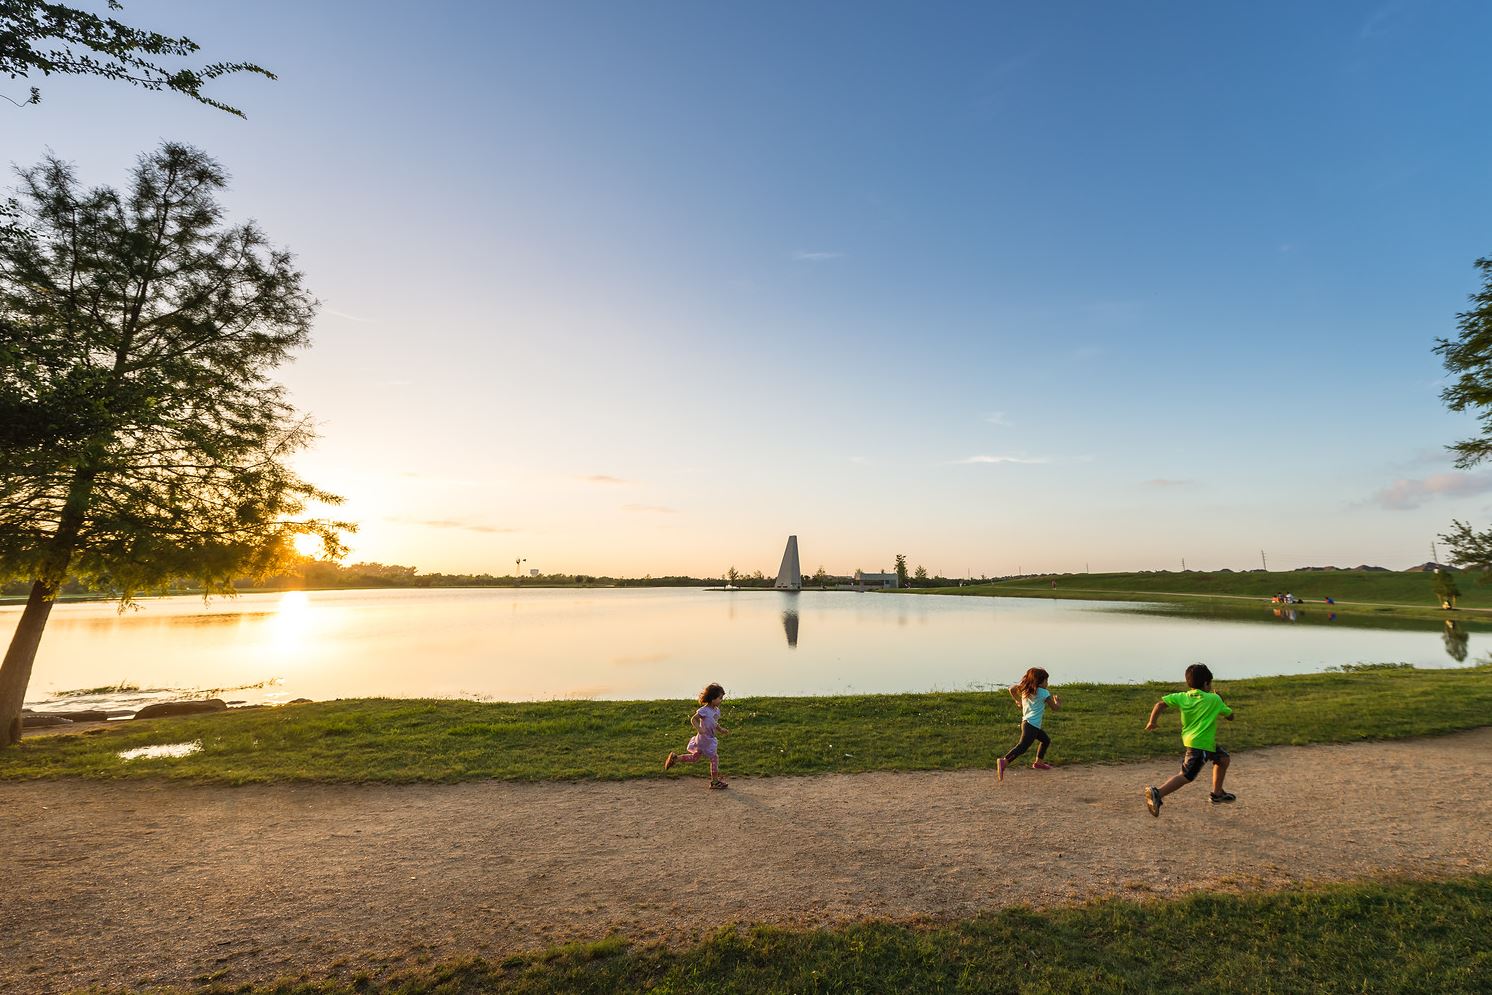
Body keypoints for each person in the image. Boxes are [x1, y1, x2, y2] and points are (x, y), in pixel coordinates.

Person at [1143, 663, 1235, 816]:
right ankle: (1158, 793)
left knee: (1224, 758)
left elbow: (1160, 704)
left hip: (1199, 742)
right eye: (1210, 683)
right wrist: (1221, 700)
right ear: (1206, 683)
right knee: (1186, 776)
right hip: (1201, 746)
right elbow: (1231, 716)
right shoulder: (1214, 699)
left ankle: (1217, 793)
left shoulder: (1182, 697)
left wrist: (1152, 722)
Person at [997, 667, 1061, 781]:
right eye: (1046, 681)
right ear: (1040, 681)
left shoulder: (1026, 689)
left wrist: (1018, 701)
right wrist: (1058, 702)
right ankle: (1004, 761)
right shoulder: (1044, 693)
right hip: (1032, 726)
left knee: (1045, 740)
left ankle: (1038, 763)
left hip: (1027, 723)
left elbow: (1011, 689)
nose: (1047, 683)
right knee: (1022, 747)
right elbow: (1055, 708)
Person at [664, 682, 730, 789]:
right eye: (720, 698)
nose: (721, 700)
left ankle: (675, 758)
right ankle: (715, 782)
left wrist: (720, 729)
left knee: (695, 758)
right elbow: (693, 719)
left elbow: (714, 723)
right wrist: (699, 728)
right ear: (712, 698)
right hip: (705, 739)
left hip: (708, 738)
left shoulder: (716, 711)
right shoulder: (704, 710)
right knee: (714, 758)